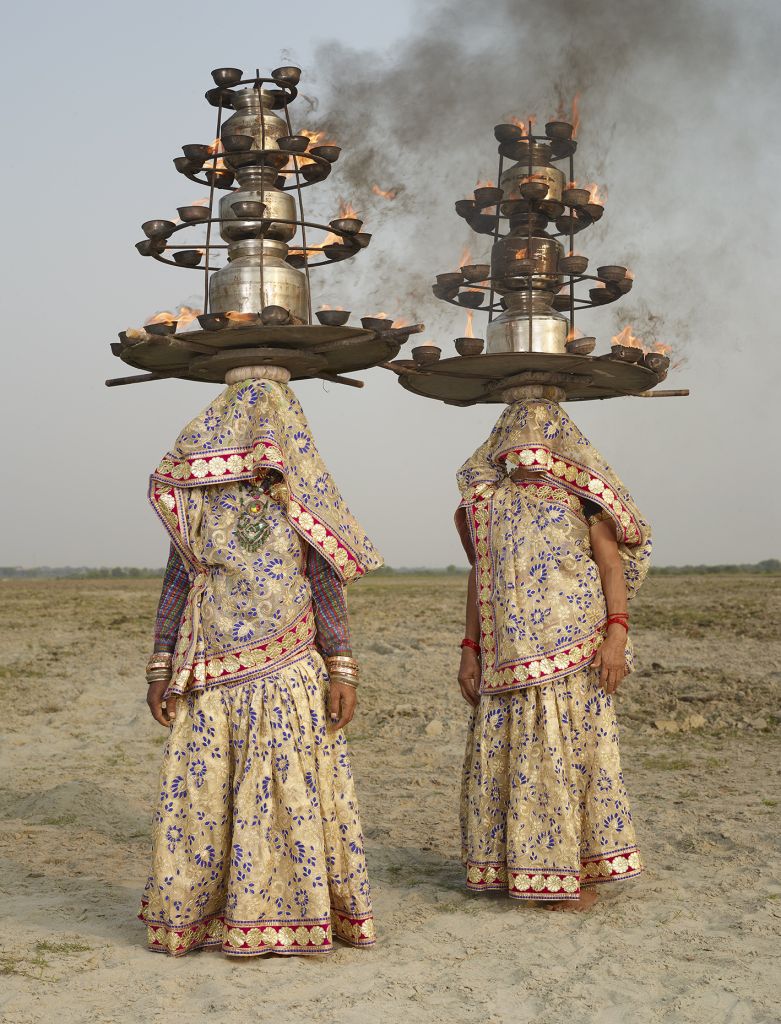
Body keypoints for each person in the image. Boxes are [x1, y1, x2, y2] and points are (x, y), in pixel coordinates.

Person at [138, 367, 380, 956]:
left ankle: (289, 918)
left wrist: (342, 667)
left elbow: (325, 582)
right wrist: (160, 666)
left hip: (292, 666)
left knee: (289, 795)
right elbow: (177, 583)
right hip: (211, 670)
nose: (262, 429)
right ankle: (207, 918)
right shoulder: (198, 502)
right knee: (206, 797)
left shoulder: (302, 496)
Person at [455, 386, 652, 911]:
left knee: (570, 760)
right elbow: (481, 575)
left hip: (576, 651)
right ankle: (520, 872)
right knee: (515, 761)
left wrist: (617, 633)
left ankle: (573, 876)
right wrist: (470, 647)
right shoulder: (487, 504)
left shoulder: (582, 497)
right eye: (515, 429)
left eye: (538, 428)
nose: (526, 442)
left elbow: (611, 566)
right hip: (506, 653)